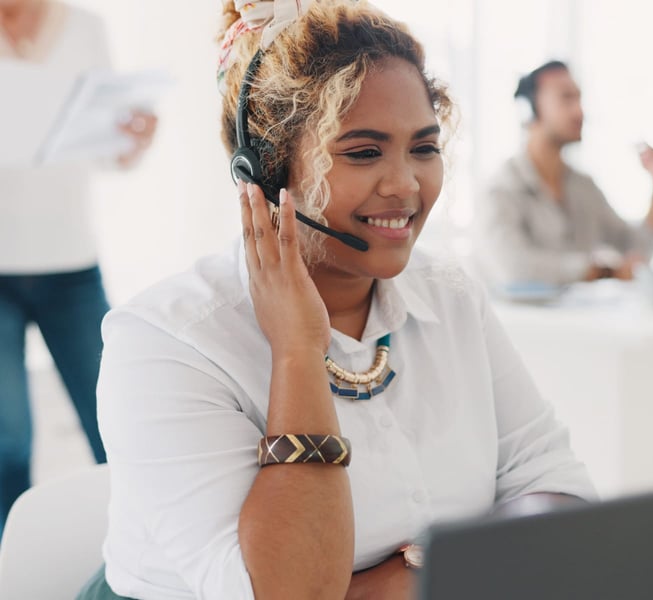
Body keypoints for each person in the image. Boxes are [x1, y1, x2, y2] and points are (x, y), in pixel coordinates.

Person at [79, 2, 595, 598]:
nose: (405, 185)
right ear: (267, 172)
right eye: (363, 152)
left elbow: (560, 490)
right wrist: (297, 352)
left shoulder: (451, 297)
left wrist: (418, 572)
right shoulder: (166, 341)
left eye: (423, 148)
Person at [0, 0, 157, 536]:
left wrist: (134, 140)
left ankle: (133, 553)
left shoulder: (87, 28)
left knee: (115, 425)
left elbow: (110, 151)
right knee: (7, 443)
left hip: (70, 264)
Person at [475, 60, 653, 286]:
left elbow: (638, 247)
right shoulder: (502, 187)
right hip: (522, 321)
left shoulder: (583, 187)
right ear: (528, 108)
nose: (579, 111)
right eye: (566, 98)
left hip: (579, 320)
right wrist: (599, 270)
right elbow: (513, 268)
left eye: (578, 98)